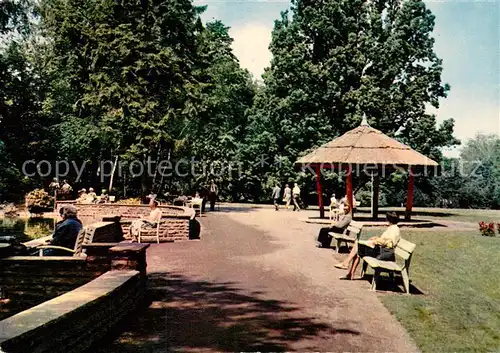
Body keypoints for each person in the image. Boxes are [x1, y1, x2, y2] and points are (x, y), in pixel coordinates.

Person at [334, 212, 401, 280]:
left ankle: (346, 265)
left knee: (357, 246)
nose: (386, 221)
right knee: (357, 248)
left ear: (389, 220)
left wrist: (376, 241)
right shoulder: (392, 228)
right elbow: (386, 240)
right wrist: (376, 238)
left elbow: (390, 243)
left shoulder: (394, 230)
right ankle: (350, 273)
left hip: (383, 253)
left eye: (387, 219)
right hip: (381, 250)